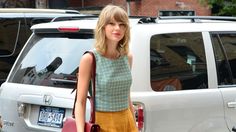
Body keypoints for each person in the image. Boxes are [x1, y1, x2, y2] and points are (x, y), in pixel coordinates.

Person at [75, 4, 138, 132]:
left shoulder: (128, 57)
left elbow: (127, 96)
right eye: (112, 23)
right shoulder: (90, 59)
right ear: (103, 27)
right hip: (104, 123)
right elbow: (80, 102)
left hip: (127, 121)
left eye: (122, 24)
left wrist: (135, 125)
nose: (117, 28)